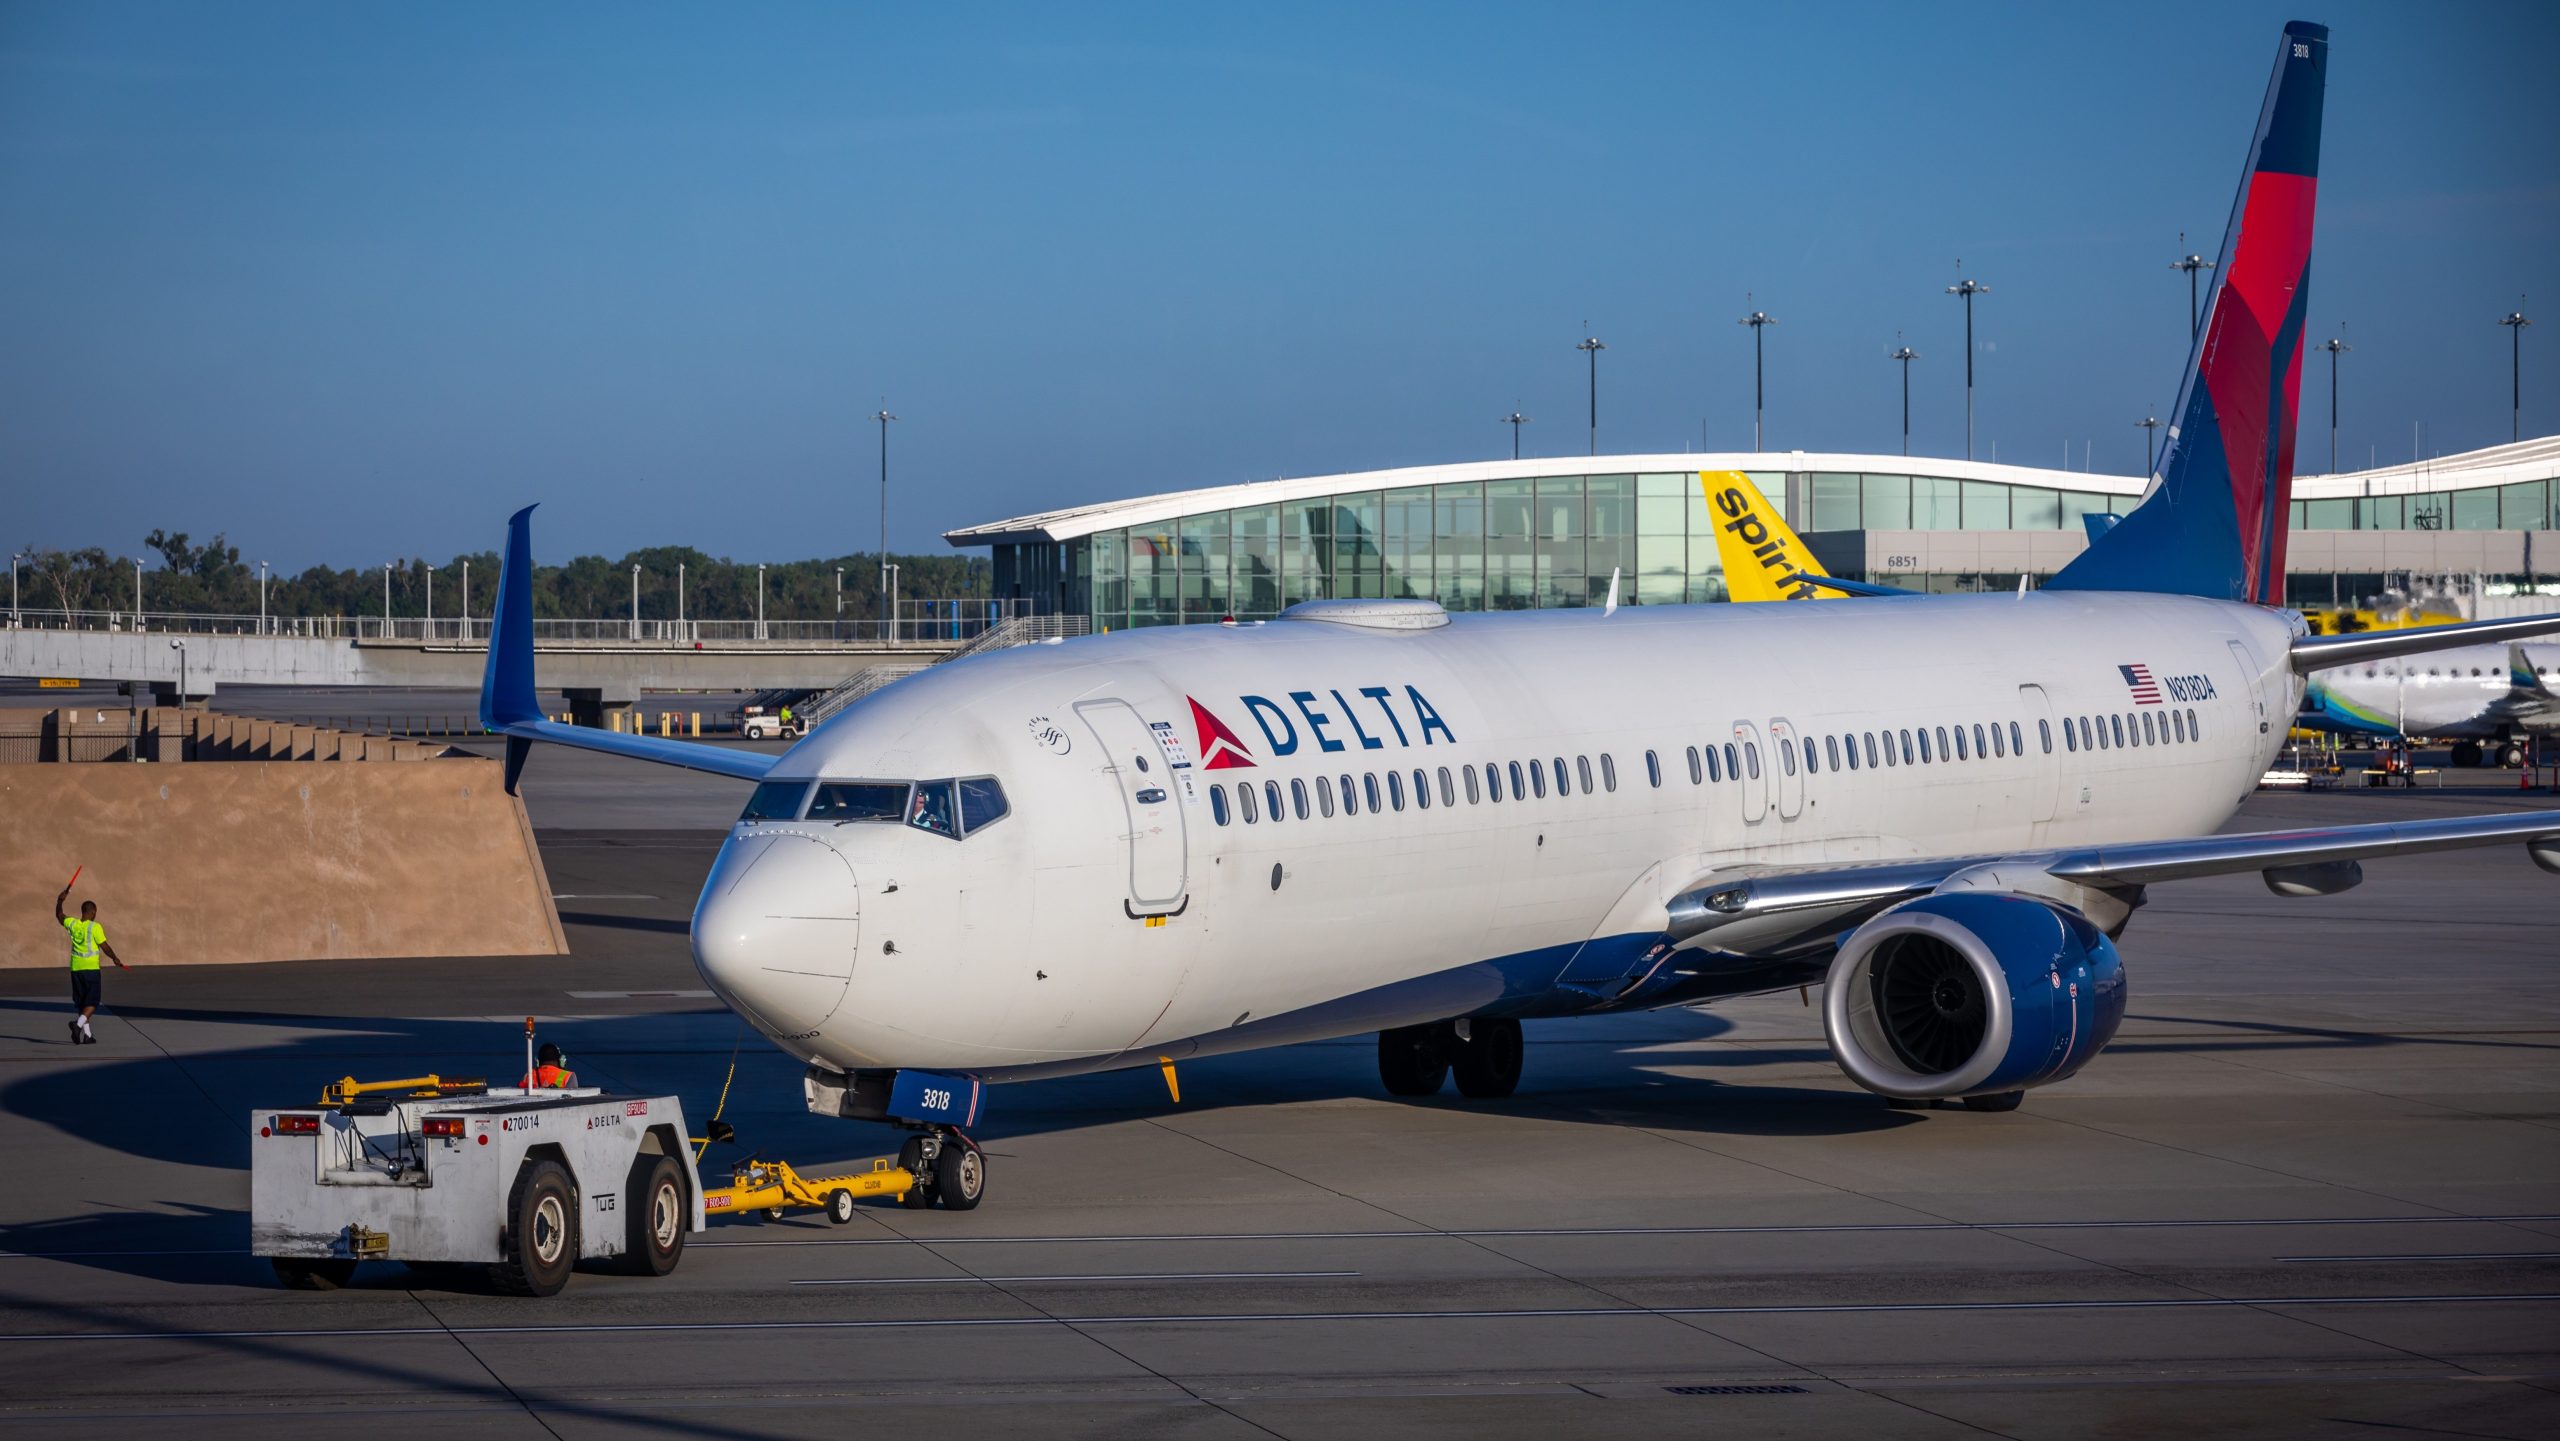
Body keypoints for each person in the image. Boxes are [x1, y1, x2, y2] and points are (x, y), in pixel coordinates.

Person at [54, 885, 128, 1045]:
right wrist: (115, 958)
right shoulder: (95, 927)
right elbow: (105, 946)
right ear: (93, 911)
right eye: (95, 912)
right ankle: (77, 1025)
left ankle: (87, 1036)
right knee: (92, 1003)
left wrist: (60, 900)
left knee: (82, 1004)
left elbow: (59, 915)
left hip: (76, 970)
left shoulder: (73, 924)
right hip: (91, 970)